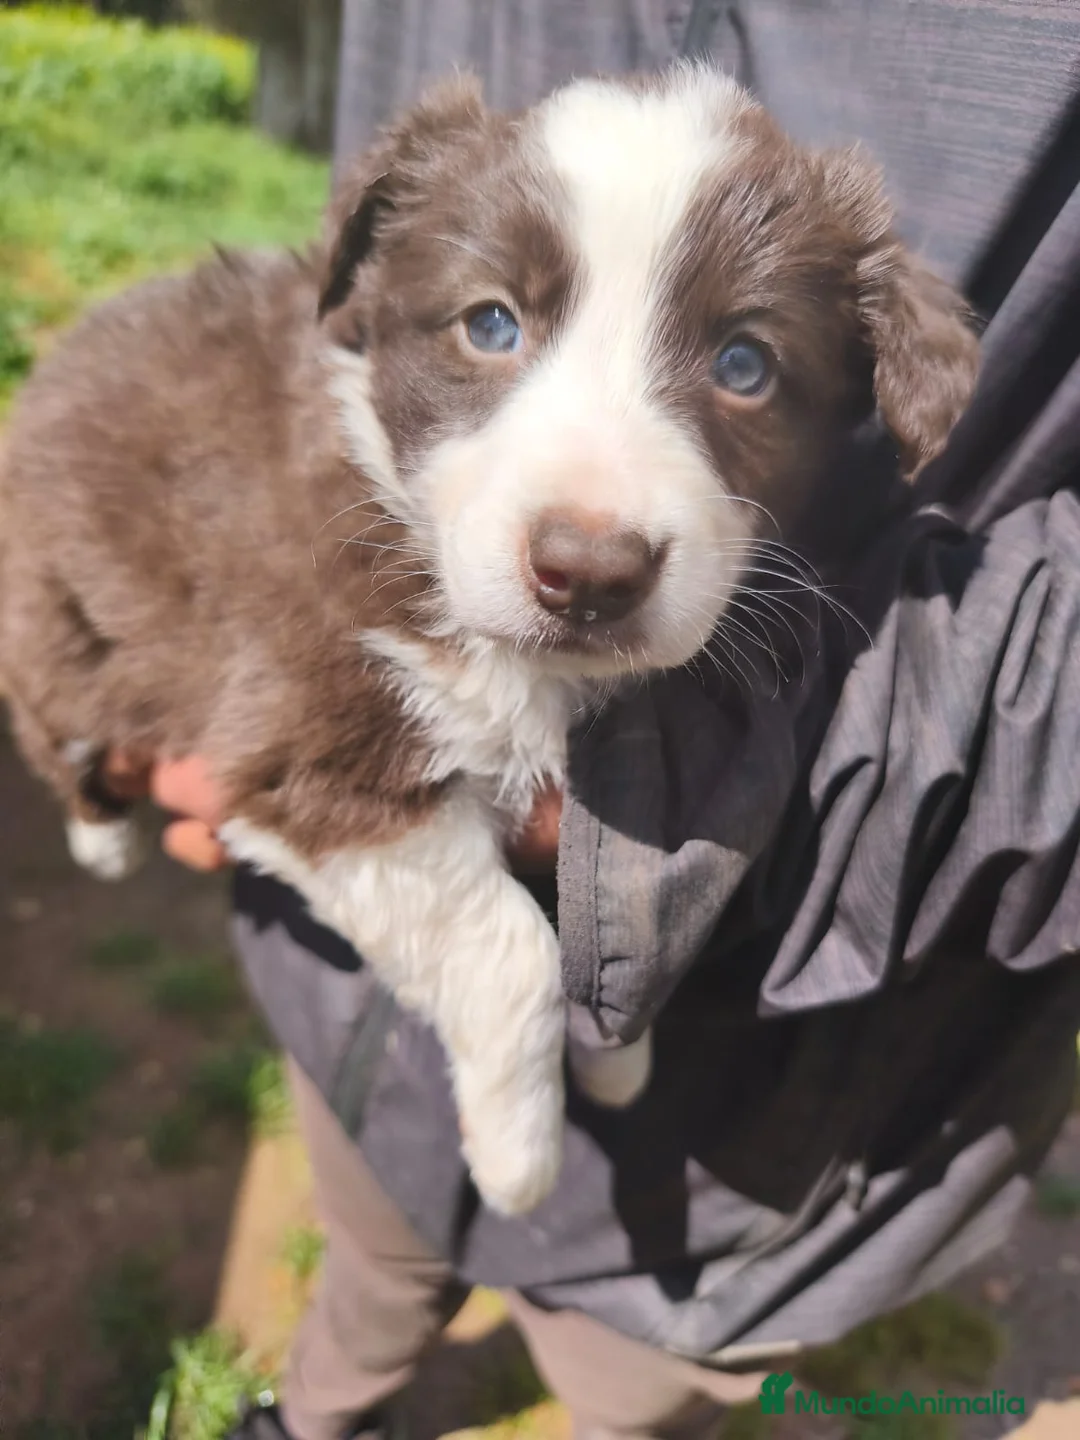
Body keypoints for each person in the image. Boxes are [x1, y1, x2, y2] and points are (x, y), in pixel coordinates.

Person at [105, 3, 1080, 1438]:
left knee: (622, 1374)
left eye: (740, 367)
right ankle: (320, 1410)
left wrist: (774, 794)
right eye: (499, 326)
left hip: (762, 1115)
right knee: (374, 1256)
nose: (593, 530)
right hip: (352, 1003)